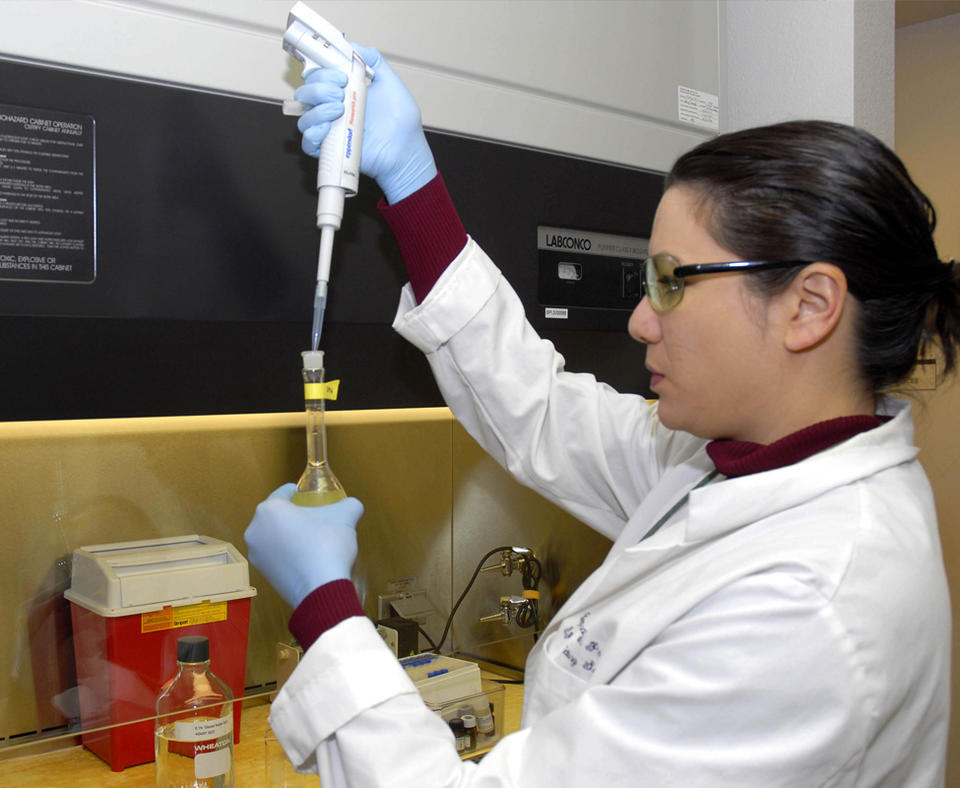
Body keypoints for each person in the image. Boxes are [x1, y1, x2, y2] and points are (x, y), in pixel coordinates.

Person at [244, 45, 959, 787]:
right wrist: (413, 180)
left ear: (809, 307)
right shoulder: (741, 462)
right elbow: (544, 414)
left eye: (671, 283)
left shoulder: (805, 612)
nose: (642, 322)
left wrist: (329, 610)